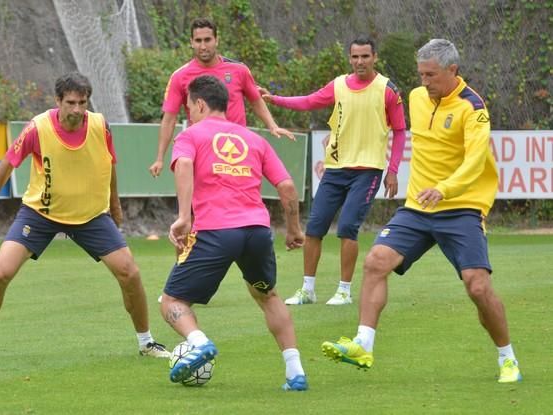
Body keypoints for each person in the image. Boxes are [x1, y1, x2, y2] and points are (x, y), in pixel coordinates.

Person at [321, 39, 522, 383]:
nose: (424, 81)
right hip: (417, 207)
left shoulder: (472, 107)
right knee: (375, 262)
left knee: (477, 287)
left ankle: (508, 358)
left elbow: (476, 161)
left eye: (431, 75)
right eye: (421, 74)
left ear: (452, 70)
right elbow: (373, 113)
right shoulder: (415, 97)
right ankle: (363, 344)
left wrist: (444, 188)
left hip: (461, 207)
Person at [0, 72, 170, 360]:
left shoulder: (100, 125)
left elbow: (110, 164)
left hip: (90, 216)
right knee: (1, 273)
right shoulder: (38, 128)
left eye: (83, 103)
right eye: (71, 103)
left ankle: (146, 342)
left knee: (130, 273)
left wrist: (115, 205)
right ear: (58, 101)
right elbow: (7, 163)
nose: (77, 109)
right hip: (40, 214)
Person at [160, 75, 308, 391]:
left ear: (199, 104)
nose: (188, 113)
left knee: (172, 301)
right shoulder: (255, 139)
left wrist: (184, 216)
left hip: (216, 231)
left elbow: (183, 165)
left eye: (189, 107)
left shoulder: (191, 135)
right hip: (256, 231)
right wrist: (294, 228)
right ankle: (296, 373)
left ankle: (198, 343)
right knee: (267, 295)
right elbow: (287, 186)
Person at [260, 36, 407, 306]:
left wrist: (393, 170)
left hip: (368, 170)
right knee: (315, 228)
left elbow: (399, 131)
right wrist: (274, 100)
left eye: (365, 56)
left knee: (348, 227)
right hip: (336, 168)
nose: (360, 61)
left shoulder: (387, 90)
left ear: (375, 57)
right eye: (355, 57)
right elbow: (308, 101)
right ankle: (308, 290)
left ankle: (344, 290)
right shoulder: (339, 85)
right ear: (349, 58)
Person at [148, 17, 294, 178]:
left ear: (216, 40)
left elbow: (256, 100)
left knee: (240, 197)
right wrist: (160, 158)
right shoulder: (180, 76)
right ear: (191, 42)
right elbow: (169, 119)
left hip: (236, 152)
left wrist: (272, 126)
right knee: (202, 199)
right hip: (202, 150)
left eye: (207, 40)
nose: (203, 46)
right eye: (198, 41)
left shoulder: (239, 70)